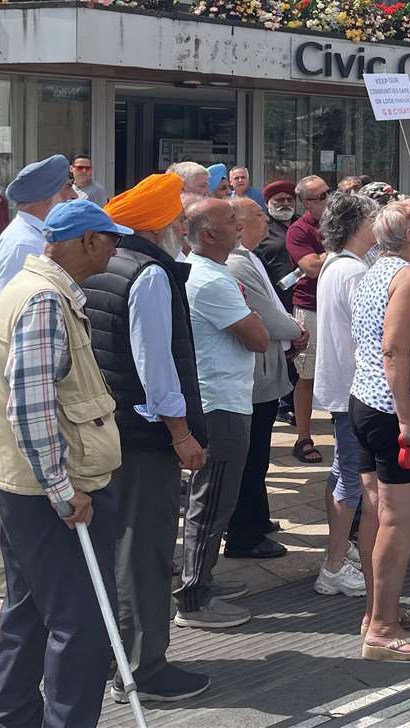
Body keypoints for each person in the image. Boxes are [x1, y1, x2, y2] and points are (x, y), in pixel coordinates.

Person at [0, 199, 128, 726]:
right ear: (88, 241)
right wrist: (64, 490)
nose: (115, 249)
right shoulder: (45, 299)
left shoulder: (28, 287)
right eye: (112, 239)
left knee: (28, 608)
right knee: (80, 623)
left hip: (19, 483)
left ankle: (14, 716)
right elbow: (31, 405)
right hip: (52, 493)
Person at [87, 172, 211, 702]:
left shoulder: (103, 263)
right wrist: (181, 432)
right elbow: (156, 366)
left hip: (110, 428)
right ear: (161, 224)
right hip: (144, 434)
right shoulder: (150, 274)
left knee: (118, 546)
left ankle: (118, 657)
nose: (184, 229)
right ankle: (143, 668)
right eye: (179, 220)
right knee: (145, 549)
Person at [0, 154, 76, 598]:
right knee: (5, 470)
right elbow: (0, 309)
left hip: (16, 360)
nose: (72, 196)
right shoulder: (23, 243)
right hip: (17, 363)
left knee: (4, 465)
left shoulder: (28, 234)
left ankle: (0, 566)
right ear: (49, 199)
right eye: (66, 191)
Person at [349, 199, 410, 662]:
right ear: (408, 235)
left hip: (366, 402)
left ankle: (376, 612)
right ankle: (382, 628)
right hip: (393, 411)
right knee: (397, 519)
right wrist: (407, 420)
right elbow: (394, 350)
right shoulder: (408, 276)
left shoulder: (372, 270)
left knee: (377, 512)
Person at [174, 199, 269, 629]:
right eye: (232, 222)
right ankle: (193, 597)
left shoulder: (208, 273)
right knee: (211, 502)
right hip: (220, 404)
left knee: (215, 498)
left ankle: (203, 579)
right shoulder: (211, 281)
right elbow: (258, 337)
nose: (239, 227)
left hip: (224, 398)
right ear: (209, 234)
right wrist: (254, 320)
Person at [224, 197, 304, 561]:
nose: (265, 221)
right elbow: (267, 316)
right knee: (251, 457)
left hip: (266, 370)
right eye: (258, 215)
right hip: (254, 375)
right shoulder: (237, 263)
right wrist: (296, 330)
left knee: (258, 456)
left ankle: (257, 518)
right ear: (239, 226)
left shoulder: (249, 257)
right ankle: (245, 531)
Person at [311, 191, 379, 597]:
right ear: (357, 225)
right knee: (350, 480)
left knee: (342, 474)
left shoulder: (337, 265)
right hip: (354, 387)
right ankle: (334, 566)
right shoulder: (351, 271)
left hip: (342, 385)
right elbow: (367, 333)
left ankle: (337, 553)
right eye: (372, 219)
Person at [285, 175, 330, 463]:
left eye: (329, 193)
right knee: (308, 375)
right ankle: (303, 437)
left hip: (338, 307)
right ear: (307, 202)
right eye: (321, 196)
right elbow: (311, 266)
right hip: (311, 306)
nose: (328, 199)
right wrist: (341, 251)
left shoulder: (339, 223)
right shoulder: (298, 230)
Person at [256, 180, 298, 309]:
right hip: (275, 298)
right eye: (279, 200)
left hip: (303, 296)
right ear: (267, 203)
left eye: (289, 200)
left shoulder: (302, 224)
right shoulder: (260, 228)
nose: (285, 203)